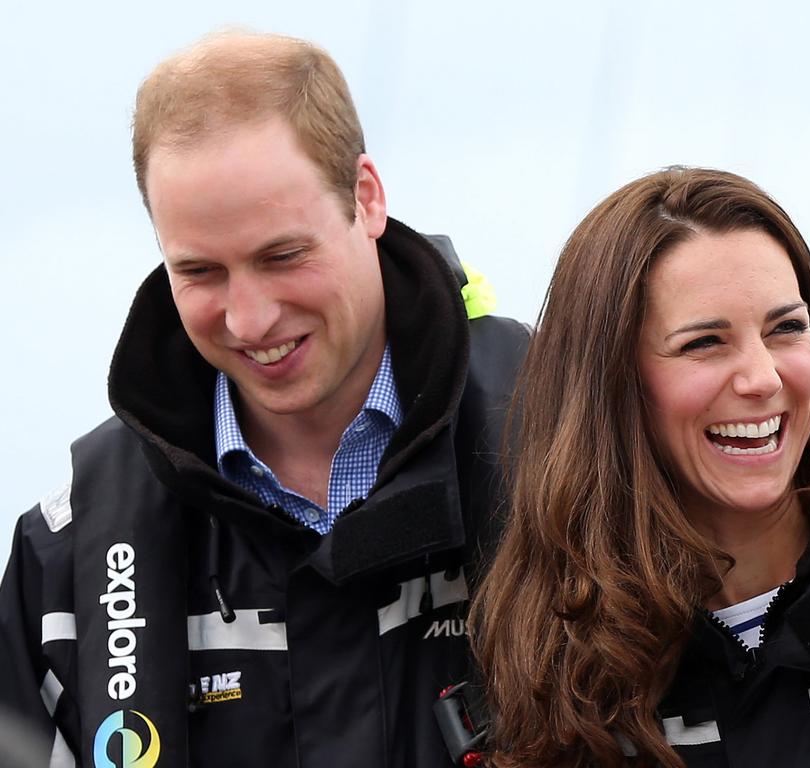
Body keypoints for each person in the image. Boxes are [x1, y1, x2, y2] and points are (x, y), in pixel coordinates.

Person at [0, 31, 528, 767]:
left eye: (283, 256)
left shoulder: (570, 447)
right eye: (200, 272)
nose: (248, 319)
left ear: (367, 197)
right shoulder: (64, 561)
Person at [468, 167, 810, 767]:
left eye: (786, 328)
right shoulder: (567, 691)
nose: (762, 378)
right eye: (704, 343)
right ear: (611, 388)